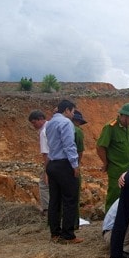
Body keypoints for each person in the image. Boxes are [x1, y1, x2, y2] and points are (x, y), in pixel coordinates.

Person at [45, 100, 82, 244]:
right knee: (70, 200)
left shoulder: (49, 123)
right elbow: (69, 145)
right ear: (67, 110)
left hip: (53, 165)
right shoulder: (66, 123)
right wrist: (75, 165)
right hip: (64, 165)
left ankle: (55, 233)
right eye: (72, 112)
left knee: (54, 200)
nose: (73, 115)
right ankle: (68, 235)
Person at [96, 103, 129, 212]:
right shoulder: (111, 127)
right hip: (116, 170)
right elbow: (100, 147)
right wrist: (105, 163)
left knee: (128, 197)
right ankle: (109, 225)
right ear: (124, 116)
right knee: (114, 197)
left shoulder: (128, 128)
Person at [28, 110, 50, 214]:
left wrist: (46, 171)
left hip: (52, 162)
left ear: (41, 119)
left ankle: (47, 209)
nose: (33, 125)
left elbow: (46, 153)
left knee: (44, 184)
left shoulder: (43, 132)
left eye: (34, 122)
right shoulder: (52, 125)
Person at [71, 110, 87, 229]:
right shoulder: (77, 131)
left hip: (58, 165)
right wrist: (77, 164)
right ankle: (74, 223)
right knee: (73, 195)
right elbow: (80, 151)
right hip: (72, 166)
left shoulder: (60, 128)